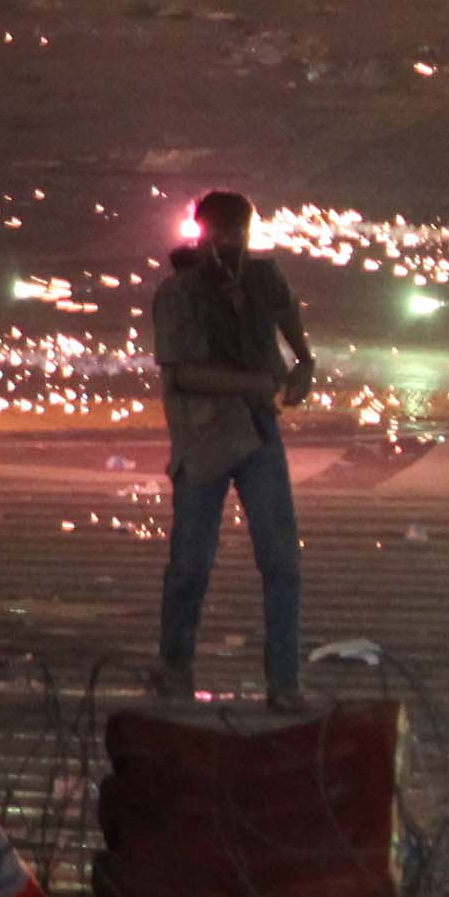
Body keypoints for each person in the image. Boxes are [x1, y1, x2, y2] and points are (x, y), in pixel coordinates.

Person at [147, 189, 315, 709]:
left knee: (282, 561)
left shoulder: (263, 278)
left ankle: (283, 682)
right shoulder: (179, 293)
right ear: (202, 235)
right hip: (205, 437)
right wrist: (254, 385)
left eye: (235, 234)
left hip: (258, 432)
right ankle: (175, 665)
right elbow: (181, 375)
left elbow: (286, 312)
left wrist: (304, 360)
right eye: (218, 234)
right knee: (192, 563)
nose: (227, 245)